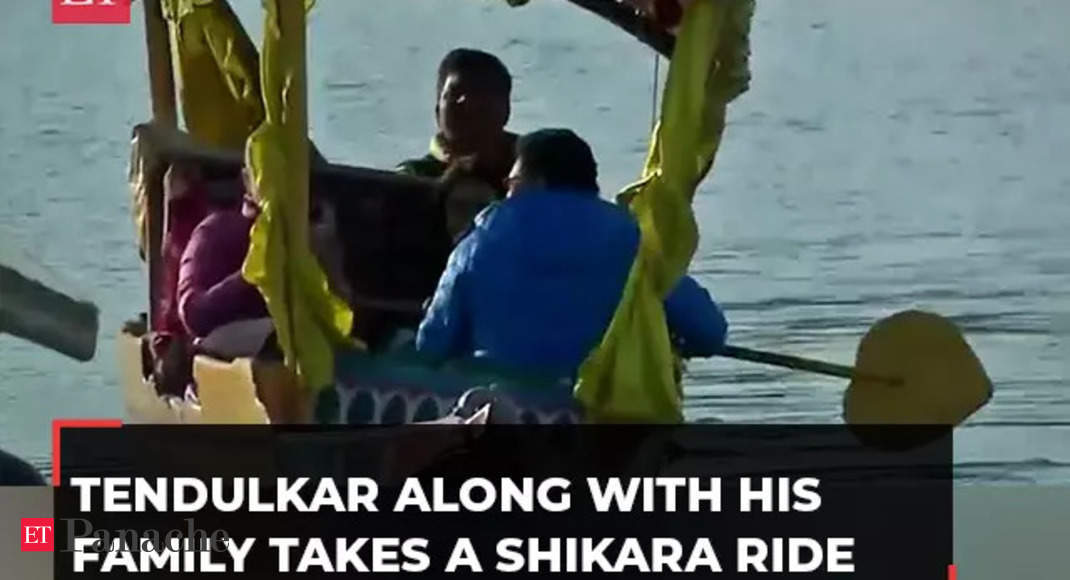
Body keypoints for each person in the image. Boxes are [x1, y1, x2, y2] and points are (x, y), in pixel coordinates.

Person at [416, 128, 727, 382]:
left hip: (501, 408)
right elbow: (709, 332)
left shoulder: (478, 241)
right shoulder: (633, 240)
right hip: (605, 411)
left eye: (512, 183)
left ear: (536, 182)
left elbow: (431, 347)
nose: (507, 194)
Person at [398, 48, 518, 241]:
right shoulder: (414, 177)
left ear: (506, 110)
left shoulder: (535, 174)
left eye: (481, 94)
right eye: (455, 94)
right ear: (438, 110)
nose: (467, 102)